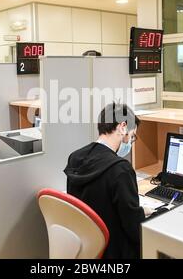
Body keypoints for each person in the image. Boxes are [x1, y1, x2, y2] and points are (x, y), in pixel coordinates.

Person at [64, 102, 153, 259]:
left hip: (86, 246)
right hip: (115, 252)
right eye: (131, 137)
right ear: (122, 127)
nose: (130, 143)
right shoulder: (120, 170)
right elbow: (134, 229)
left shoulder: (76, 157)